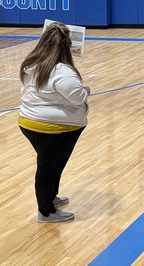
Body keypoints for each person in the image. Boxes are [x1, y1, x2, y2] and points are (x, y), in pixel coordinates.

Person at [18, 22, 90, 224]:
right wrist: (86, 91)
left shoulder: (30, 63)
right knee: (48, 168)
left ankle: (51, 198)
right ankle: (46, 212)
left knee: (52, 165)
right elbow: (77, 97)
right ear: (66, 46)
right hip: (55, 129)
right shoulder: (62, 71)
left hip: (29, 122)